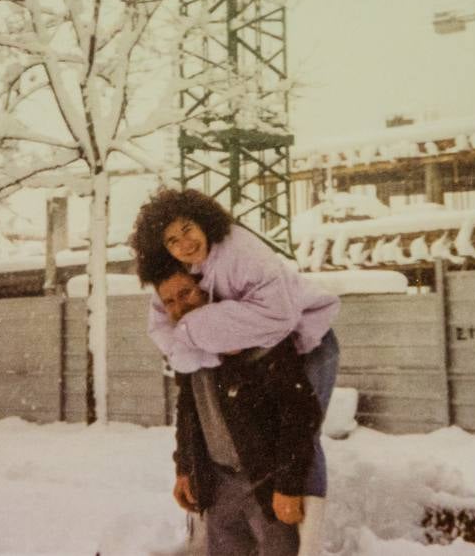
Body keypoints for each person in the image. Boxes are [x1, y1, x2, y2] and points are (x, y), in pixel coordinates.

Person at [130, 188, 340, 553]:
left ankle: (306, 533)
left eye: (187, 229)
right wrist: (186, 467)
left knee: (304, 431)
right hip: (253, 338)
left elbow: (281, 322)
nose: (184, 244)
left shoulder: (242, 253)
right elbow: (167, 337)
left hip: (310, 336)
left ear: (204, 222)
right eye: (172, 240)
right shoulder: (186, 279)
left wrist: (287, 486)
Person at [155, 265, 321, 556]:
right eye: (169, 301)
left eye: (186, 293)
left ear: (206, 290)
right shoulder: (187, 349)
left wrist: (288, 485)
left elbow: (299, 412)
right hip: (219, 485)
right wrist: (185, 467)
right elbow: (189, 410)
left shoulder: (254, 334)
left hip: (266, 484)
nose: (179, 307)